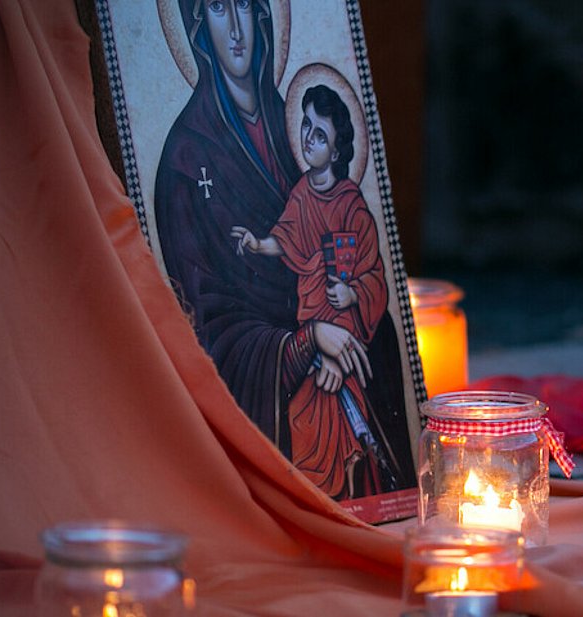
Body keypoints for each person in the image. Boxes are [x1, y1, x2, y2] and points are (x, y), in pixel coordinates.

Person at [153, 0, 370, 465]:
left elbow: (350, 252)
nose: (236, 29)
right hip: (269, 376)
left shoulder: (300, 128)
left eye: (246, 6)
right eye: (217, 7)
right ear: (197, 24)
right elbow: (206, 328)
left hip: (337, 337)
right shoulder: (184, 161)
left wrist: (341, 324)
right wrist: (306, 344)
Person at [231, 85, 402, 500]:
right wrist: (258, 244)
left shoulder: (351, 206)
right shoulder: (302, 194)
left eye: (320, 134)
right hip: (312, 336)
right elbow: (286, 238)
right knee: (301, 419)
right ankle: (312, 505)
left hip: (344, 341)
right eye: (306, 127)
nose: (309, 139)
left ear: (338, 150)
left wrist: (354, 292)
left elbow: (374, 273)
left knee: (336, 420)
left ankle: (347, 502)